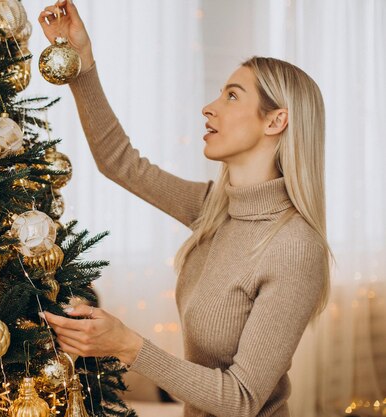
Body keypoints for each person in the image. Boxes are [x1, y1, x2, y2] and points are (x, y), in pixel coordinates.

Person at [37, 1, 331, 417]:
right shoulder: (215, 208)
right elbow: (118, 161)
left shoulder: (295, 246)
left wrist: (126, 345)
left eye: (232, 96)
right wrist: (82, 63)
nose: (209, 107)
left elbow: (242, 400)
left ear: (275, 121)